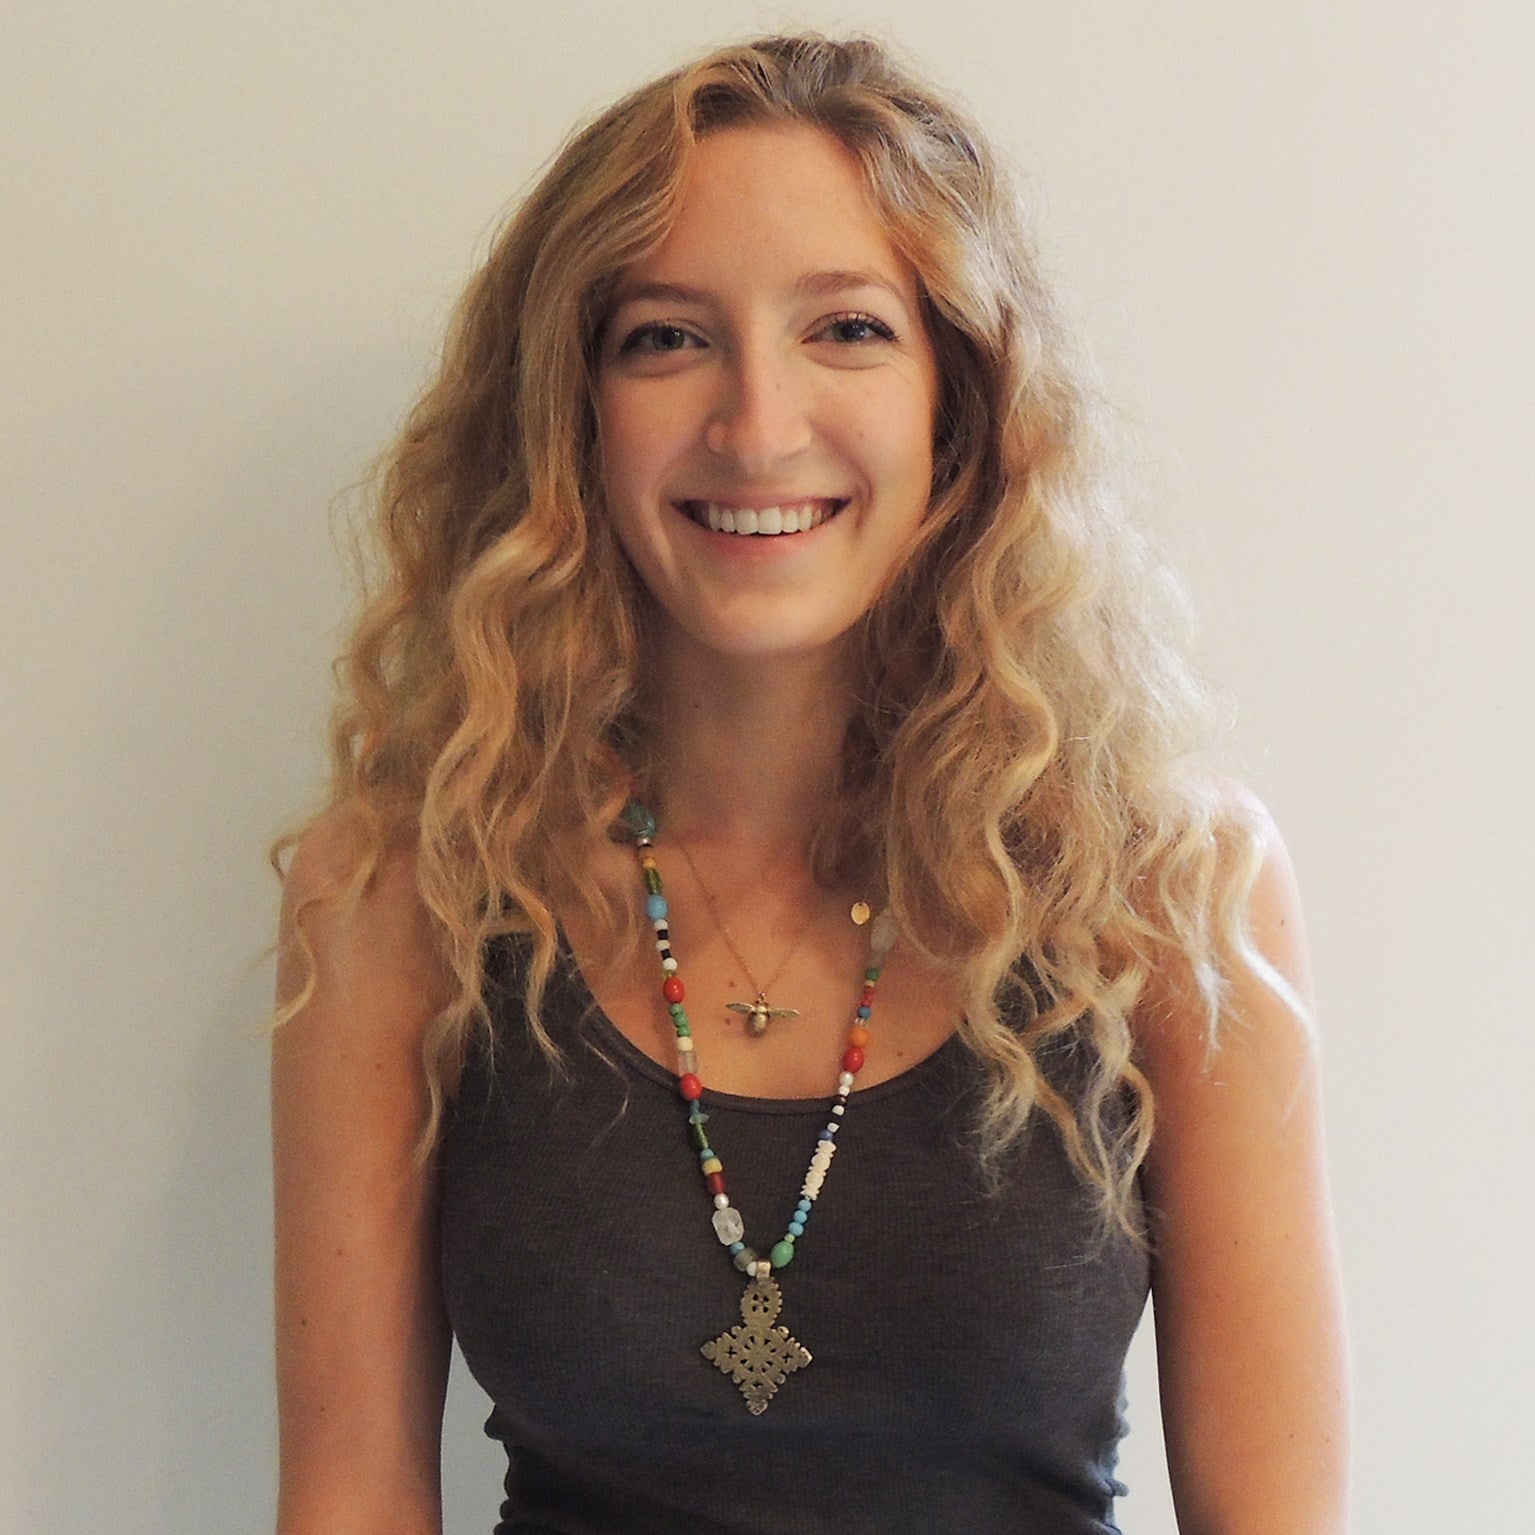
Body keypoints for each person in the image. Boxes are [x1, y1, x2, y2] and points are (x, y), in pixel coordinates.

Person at [271, 33, 1349, 1535]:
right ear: (568, 410)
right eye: (666, 337)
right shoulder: (402, 894)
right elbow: (349, 1500)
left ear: (957, 403)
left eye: (845, 329)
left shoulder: (1168, 894)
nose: (757, 424)